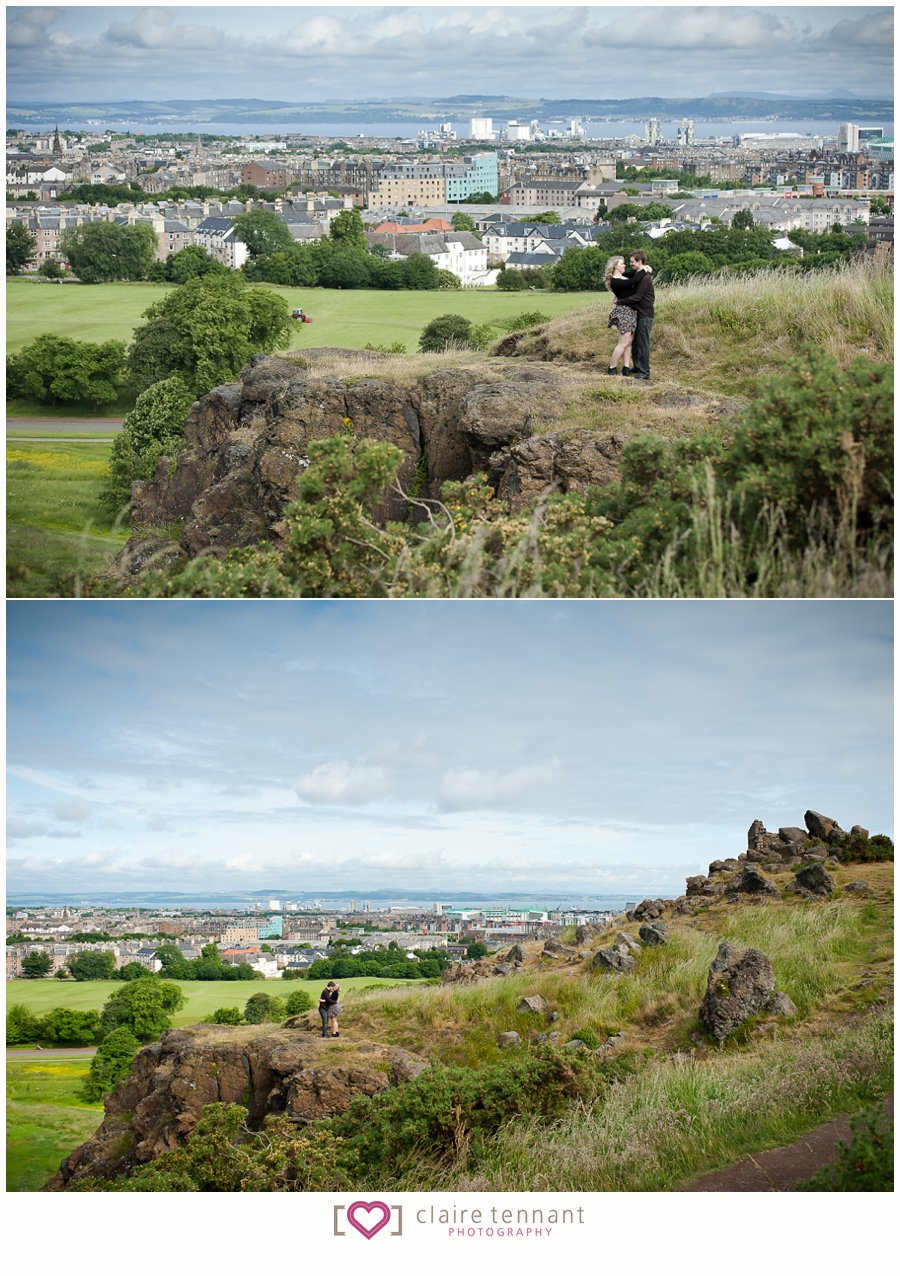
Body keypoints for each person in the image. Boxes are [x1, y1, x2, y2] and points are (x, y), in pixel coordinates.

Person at [619, 250, 655, 381]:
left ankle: (644, 372)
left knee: (643, 343)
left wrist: (620, 301)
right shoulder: (638, 274)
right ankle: (637, 366)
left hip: (645, 315)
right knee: (635, 342)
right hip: (639, 313)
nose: (631, 264)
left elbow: (637, 297)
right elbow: (626, 275)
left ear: (640, 262)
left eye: (633, 262)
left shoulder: (644, 278)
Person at [603, 255, 638, 375]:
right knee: (623, 343)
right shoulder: (616, 281)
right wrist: (644, 270)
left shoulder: (622, 277)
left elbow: (632, 274)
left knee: (629, 342)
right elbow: (634, 279)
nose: (625, 265)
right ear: (615, 266)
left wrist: (644, 267)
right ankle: (612, 367)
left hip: (631, 311)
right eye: (622, 264)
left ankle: (626, 367)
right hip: (624, 312)